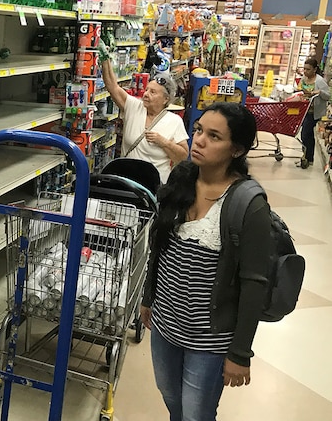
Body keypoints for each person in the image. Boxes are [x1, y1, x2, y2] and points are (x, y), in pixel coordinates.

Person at [140, 103, 275, 421]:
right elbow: (159, 246)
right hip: (165, 323)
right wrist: (148, 297)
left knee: (196, 413)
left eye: (214, 136)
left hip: (210, 338)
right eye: (199, 129)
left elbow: (254, 282)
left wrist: (240, 352)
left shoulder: (247, 203)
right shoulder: (182, 177)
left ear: (237, 149)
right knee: (170, 395)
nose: (199, 140)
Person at [100, 53, 189, 183]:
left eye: (153, 92)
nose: (146, 94)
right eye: (146, 90)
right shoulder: (134, 107)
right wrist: (105, 58)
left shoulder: (174, 121)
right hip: (127, 182)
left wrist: (163, 142)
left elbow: (182, 157)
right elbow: (113, 87)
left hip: (155, 186)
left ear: (166, 99)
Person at [295, 57, 329, 168]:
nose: (305, 71)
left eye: (308, 69)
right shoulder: (304, 79)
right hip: (303, 110)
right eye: (304, 69)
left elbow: (328, 95)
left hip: (313, 111)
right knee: (307, 135)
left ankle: (307, 157)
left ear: (314, 70)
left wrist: (319, 91)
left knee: (305, 133)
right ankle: (308, 157)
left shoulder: (319, 81)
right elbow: (300, 89)